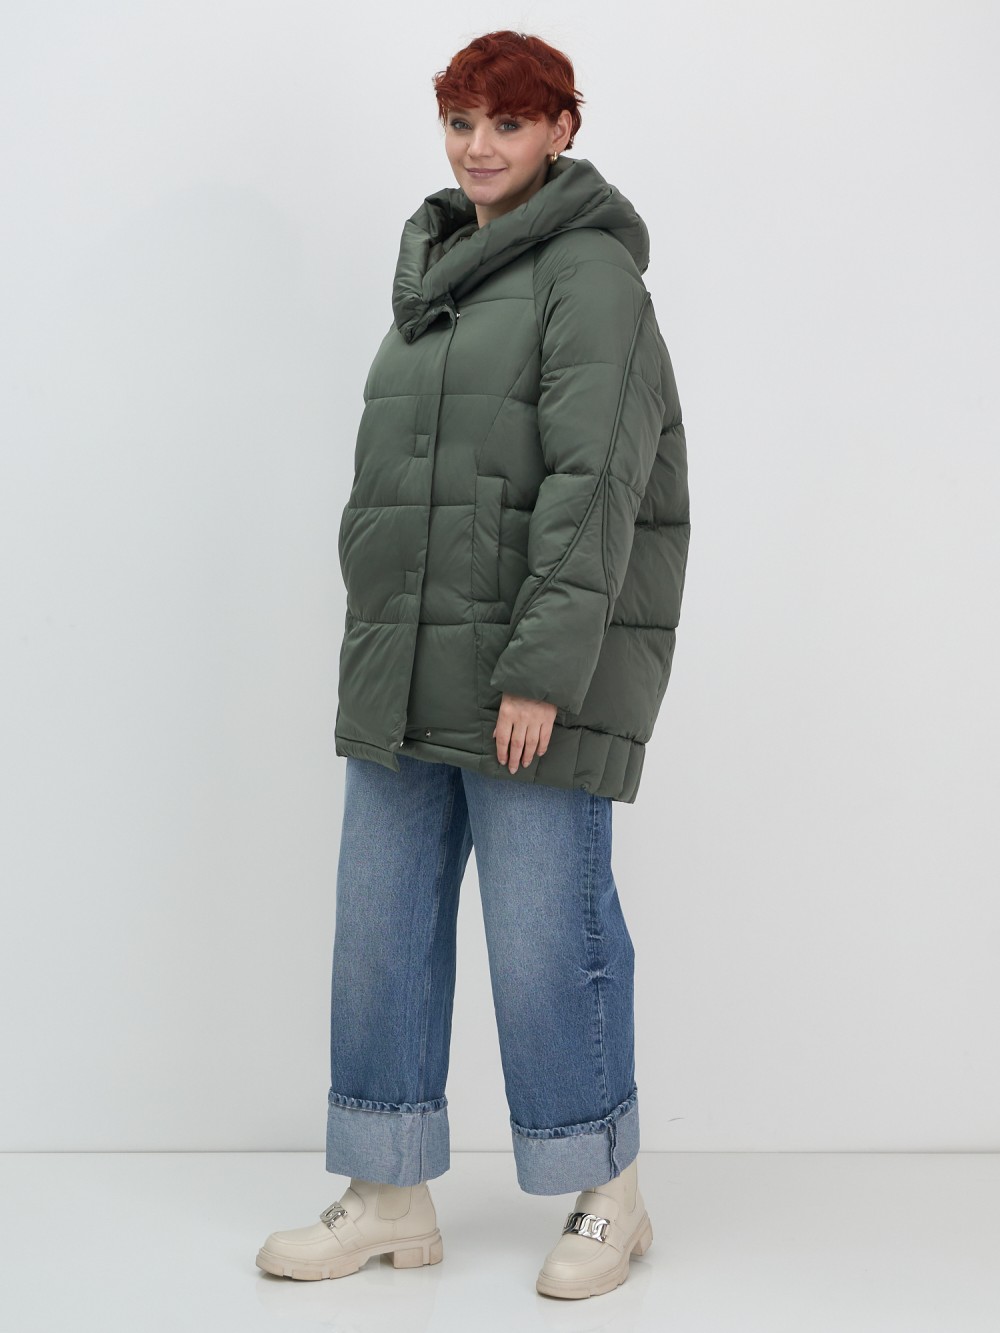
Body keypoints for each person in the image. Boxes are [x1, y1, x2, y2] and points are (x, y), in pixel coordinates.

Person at [255, 29, 690, 1301]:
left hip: (526, 679)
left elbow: (594, 478)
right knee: (378, 933)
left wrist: (542, 667)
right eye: (460, 121)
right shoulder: (440, 272)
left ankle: (609, 1191)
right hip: (403, 667)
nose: (479, 147)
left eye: (507, 122)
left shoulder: (588, 274)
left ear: (561, 128)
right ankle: (387, 1191)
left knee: (550, 937)